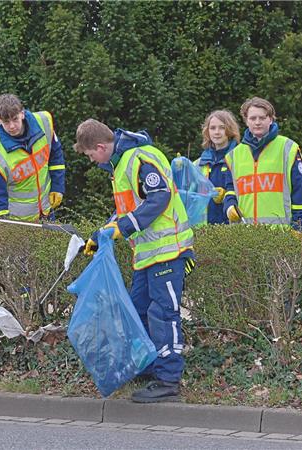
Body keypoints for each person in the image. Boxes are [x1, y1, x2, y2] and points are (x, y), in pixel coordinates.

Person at [74, 119, 195, 403]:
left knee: (164, 315)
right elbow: (128, 210)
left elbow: (159, 198)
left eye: (91, 156)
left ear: (101, 147)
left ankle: (168, 381)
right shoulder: (123, 164)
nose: (93, 162)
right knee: (137, 310)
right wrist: (101, 234)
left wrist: (123, 227)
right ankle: (151, 367)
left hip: (169, 251)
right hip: (148, 255)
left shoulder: (139, 158)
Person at [223, 97, 302, 230]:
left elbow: (301, 192)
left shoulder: (288, 148)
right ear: (246, 121)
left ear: (270, 119)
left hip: (280, 235)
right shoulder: (233, 156)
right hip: (244, 235)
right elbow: (230, 188)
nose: (257, 122)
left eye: (262, 118)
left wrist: (299, 228)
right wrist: (229, 205)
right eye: (253, 118)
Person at [0, 94, 66, 222]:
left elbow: (56, 156)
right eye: (6, 122)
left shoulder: (44, 122)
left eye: (15, 119)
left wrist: (57, 187)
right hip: (19, 222)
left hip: (47, 211)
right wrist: (2, 228)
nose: (12, 126)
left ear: (22, 113)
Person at [194, 110, 242, 224]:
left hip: (234, 227)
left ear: (229, 130)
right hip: (206, 229)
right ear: (207, 131)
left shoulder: (240, 158)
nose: (217, 132)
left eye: (222, 127)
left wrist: (227, 195)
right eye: (212, 128)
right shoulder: (198, 164)